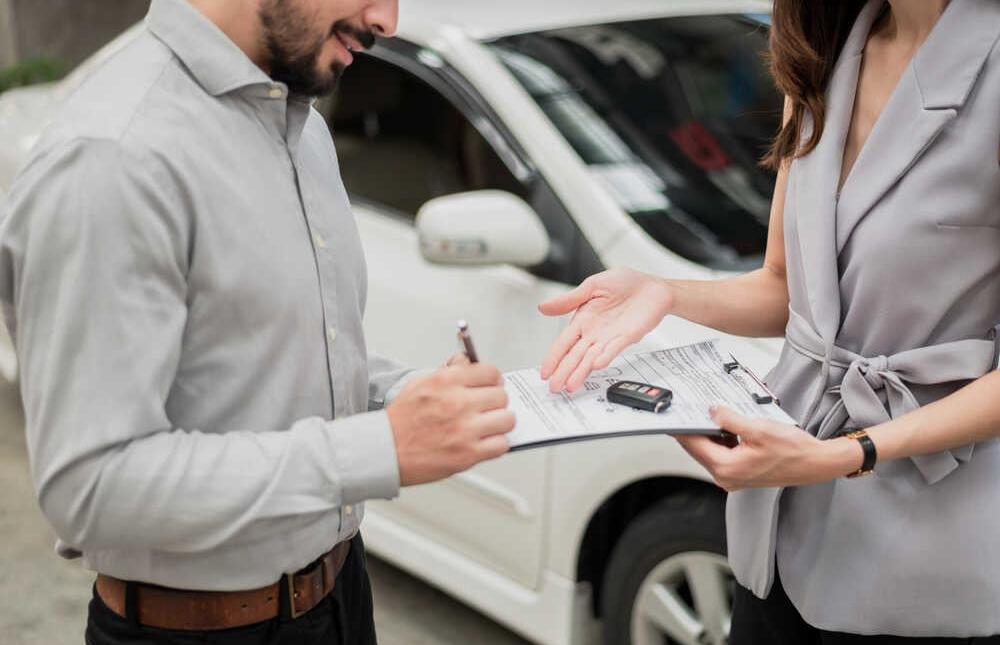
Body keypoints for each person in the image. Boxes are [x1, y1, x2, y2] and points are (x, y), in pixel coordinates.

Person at [0, 0, 515, 643]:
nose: (387, 20)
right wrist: (380, 448)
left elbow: (272, 351)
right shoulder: (114, 155)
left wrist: (405, 398)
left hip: (340, 596)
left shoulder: (301, 126)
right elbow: (91, 489)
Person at [539, 0, 1000, 642]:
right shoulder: (825, 53)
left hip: (930, 546)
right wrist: (662, 291)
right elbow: (786, 290)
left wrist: (849, 453)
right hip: (780, 524)